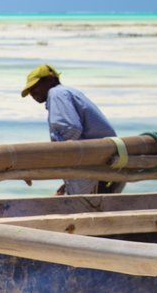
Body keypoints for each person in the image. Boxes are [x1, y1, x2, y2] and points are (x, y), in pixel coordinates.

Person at [21, 64, 124, 195]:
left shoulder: (56, 93)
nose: (32, 93)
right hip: (104, 165)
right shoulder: (68, 93)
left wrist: (43, 162)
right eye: (30, 90)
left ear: (50, 79)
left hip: (93, 168)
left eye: (35, 86)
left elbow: (71, 130)